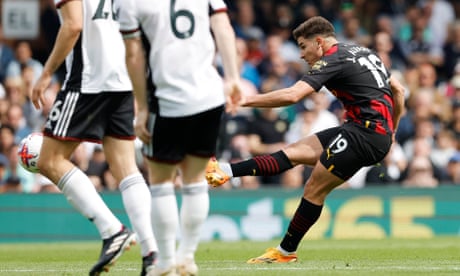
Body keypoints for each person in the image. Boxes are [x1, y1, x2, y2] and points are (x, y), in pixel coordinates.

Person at [206, 16, 406, 263]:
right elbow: (398, 91)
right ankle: (223, 171)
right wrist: (392, 131)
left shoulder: (332, 58)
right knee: (293, 153)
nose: (301, 54)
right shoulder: (365, 52)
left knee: (314, 188)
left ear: (319, 42)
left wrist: (243, 100)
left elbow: (292, 95)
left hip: (364, 134)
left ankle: (286, 251)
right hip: (364, 131)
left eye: (303, 46)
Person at [31, 1, 158, 275]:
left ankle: (112, 230)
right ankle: (151, 253)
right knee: (126, 168)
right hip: (122, 79)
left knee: (49, 160)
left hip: (88, 81)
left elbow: (73, 25)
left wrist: (45, 74)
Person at [116, 0, 242, 275]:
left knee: (161, 183)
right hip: (209, 98)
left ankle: (165, 263)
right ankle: (187, 257)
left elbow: (133, 55)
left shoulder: (129, 3)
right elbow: (223, 27)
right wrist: (233, 77)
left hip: (166, 101)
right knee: (195, 181)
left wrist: (141, 107)